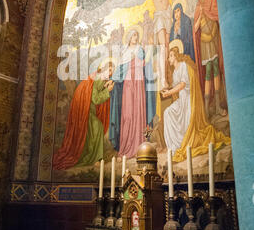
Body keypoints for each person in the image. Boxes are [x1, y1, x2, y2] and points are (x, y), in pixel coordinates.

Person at [161, 40, 230, 162]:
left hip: (189, 100)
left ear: (176, 55)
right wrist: (167, 90)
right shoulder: (175, 71)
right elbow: (176, 87)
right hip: (181, 100)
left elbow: (182, 85)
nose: (169, 59)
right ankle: (175, 145)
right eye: (168, 56)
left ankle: (184, 141)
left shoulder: (183, 66)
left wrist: (169, 93)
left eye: (170, 56)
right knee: (167, 113)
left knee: (186, 120)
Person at [53, 60, 115, 171]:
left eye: (112, 71)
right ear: (105, 68)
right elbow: (95, 99)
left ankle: (94, 157)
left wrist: (105, 86)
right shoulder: (98, 78)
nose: (110, 73)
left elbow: (94, 92)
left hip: (86, 107)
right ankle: (92, 157)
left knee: (96, 127)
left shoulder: (98, 77)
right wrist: (107, 91)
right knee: (97, 127)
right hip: (85, 109)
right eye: (110, 70)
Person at [109, 27, 156, 159]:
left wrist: (147, 53)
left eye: (137, 35)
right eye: (134, 35)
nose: (136, 37)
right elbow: (120, 69)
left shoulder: (140, 50)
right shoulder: (125, 52)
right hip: (129, 85)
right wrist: (112, 80)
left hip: (139, 85)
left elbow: (145, 64)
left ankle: (139, 147)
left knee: (138, 113)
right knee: (128, 115)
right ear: (129, 37)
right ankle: (125, 148)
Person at [193, 0, 227, 118]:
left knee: (215, 69)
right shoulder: (198, 3)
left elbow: (216, 13)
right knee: (208, 72)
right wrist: (200, 13)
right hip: (204, 42)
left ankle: (218, 104)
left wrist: (207, 12)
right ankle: (207, 108)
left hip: (213, 38)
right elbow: (195, 28)